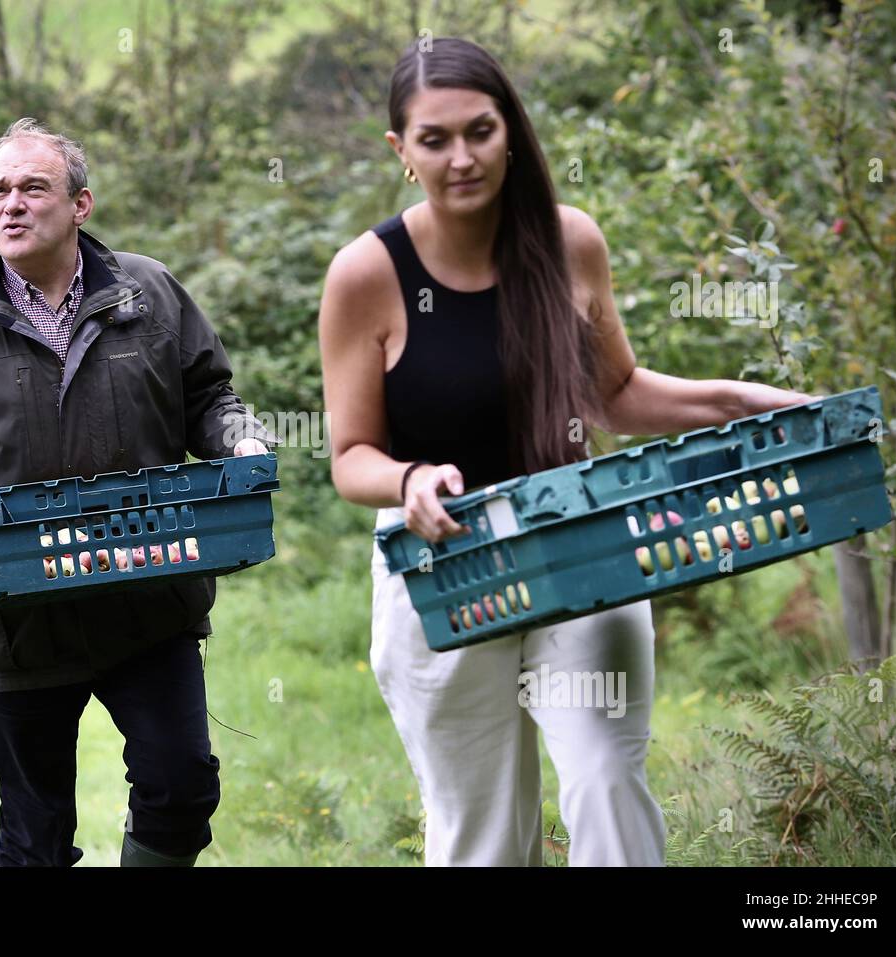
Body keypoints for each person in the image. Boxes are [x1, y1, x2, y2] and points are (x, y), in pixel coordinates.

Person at [317, 37, 815, 866]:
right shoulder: (367, 275)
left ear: (510, 128)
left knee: (606, 778)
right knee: (483, 833)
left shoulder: (569, 241)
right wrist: (408, 479)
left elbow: (613, 393)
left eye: (480, 130)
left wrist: (740, 400)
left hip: (582, 547)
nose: (462, 156)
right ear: (400, 151)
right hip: (448, 569)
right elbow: (349, 456)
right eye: (434, 139)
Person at [0, 118, 276, 867]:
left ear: (80, 204)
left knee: (182, 788)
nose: (11, 204)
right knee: (35, 835)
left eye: (32, 188)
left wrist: (237, 437)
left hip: (149, 593)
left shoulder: (146, 292)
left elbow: (210, 394)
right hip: (17, 621)